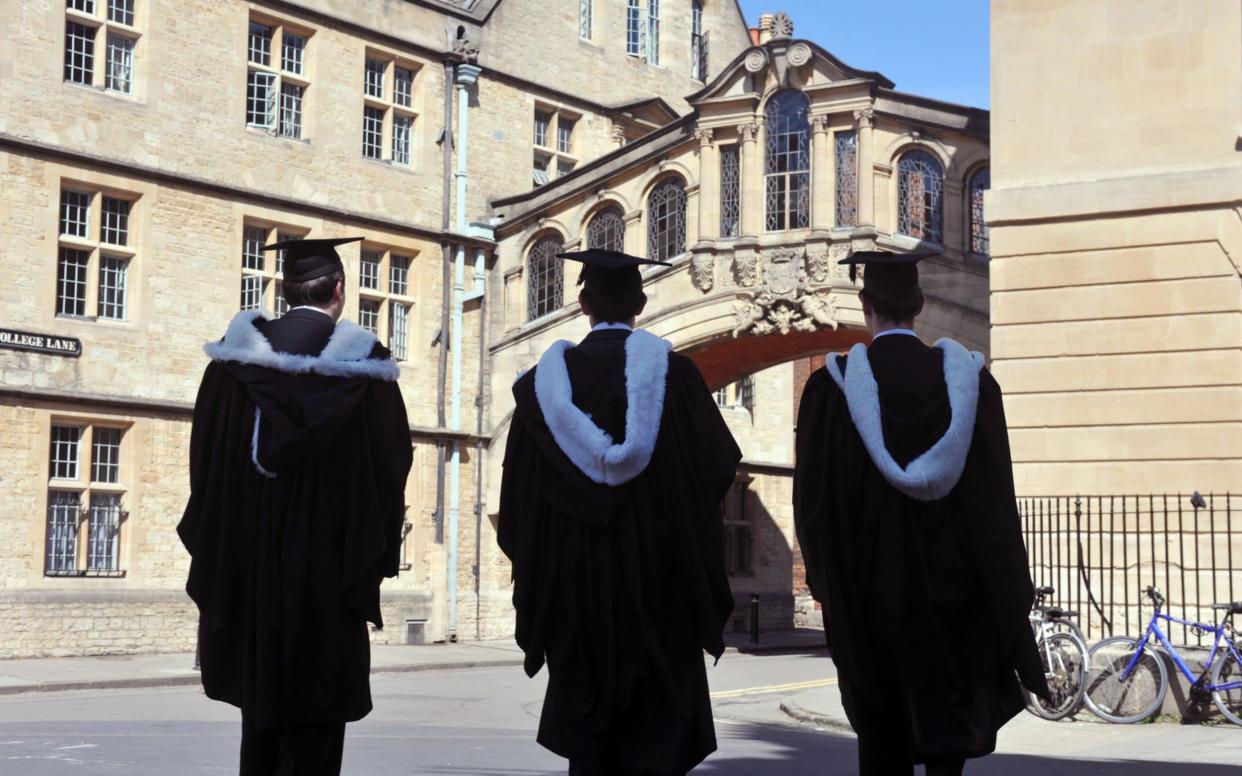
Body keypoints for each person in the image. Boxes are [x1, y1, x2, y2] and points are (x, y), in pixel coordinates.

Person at [793, 251, 1048, 776]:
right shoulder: (972, 387)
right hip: (954, 605)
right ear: (920, 305)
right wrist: (1003, 594)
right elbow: (996, 504)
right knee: (945, 742)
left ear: (866, 308)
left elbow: (814, 509)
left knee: (881, 746)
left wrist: (830, 589)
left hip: (870, 606)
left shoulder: (832, 392)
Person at [497, 249, 742, 776]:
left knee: (590, 750)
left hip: (575, 600)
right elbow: (716, 471)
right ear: (642, 303)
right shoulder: (676, 377)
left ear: (582, 303)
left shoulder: (541, 390)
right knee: (657, 744)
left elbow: (516, 510)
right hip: (662, 597)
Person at [178, 237, 413, 776]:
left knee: (259, 722)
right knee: (318, 728)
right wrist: (367, 558)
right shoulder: (368, 372)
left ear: (284, 291)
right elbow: (390, 470)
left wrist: (227, 554)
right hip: (331, 578)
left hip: (251, 576)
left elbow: (206, 469)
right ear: (339, 288)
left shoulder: (231, 366)